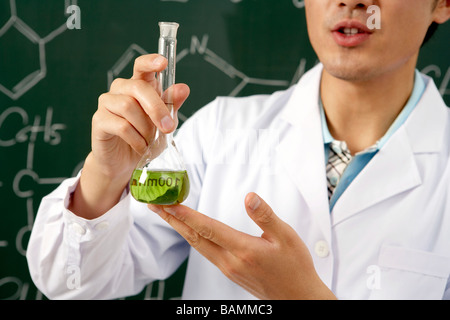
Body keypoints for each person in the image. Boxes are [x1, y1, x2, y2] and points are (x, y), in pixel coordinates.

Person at [27, 0, 450, 300]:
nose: (351, 2)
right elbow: (70, 283)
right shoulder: (220, 132)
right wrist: (104, 176)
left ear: (442, 4)